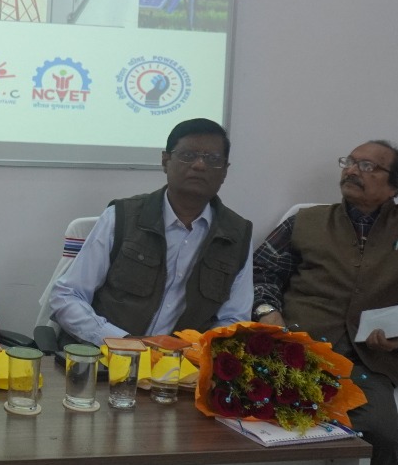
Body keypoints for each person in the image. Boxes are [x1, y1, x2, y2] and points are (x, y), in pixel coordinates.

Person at [252, 140, 398, 465]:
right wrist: (266, 310)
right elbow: (262, 271)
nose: (351, 170)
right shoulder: (306, 221)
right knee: (262, 419)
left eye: (367, 166)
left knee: (380, 436)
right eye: (349, 162)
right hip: (297, 349)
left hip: (367, 361)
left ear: (395, 185)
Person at [49, 118, 254, 345]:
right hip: (105, 354)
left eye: (213, 159)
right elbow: (67, 295)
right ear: (165, 161)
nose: (199, 165)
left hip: (183, 362)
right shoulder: (121, 216)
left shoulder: (238, 235)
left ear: (224, 171)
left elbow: (234, 320)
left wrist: (194, 350)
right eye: (188, 155)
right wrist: (124, 342)